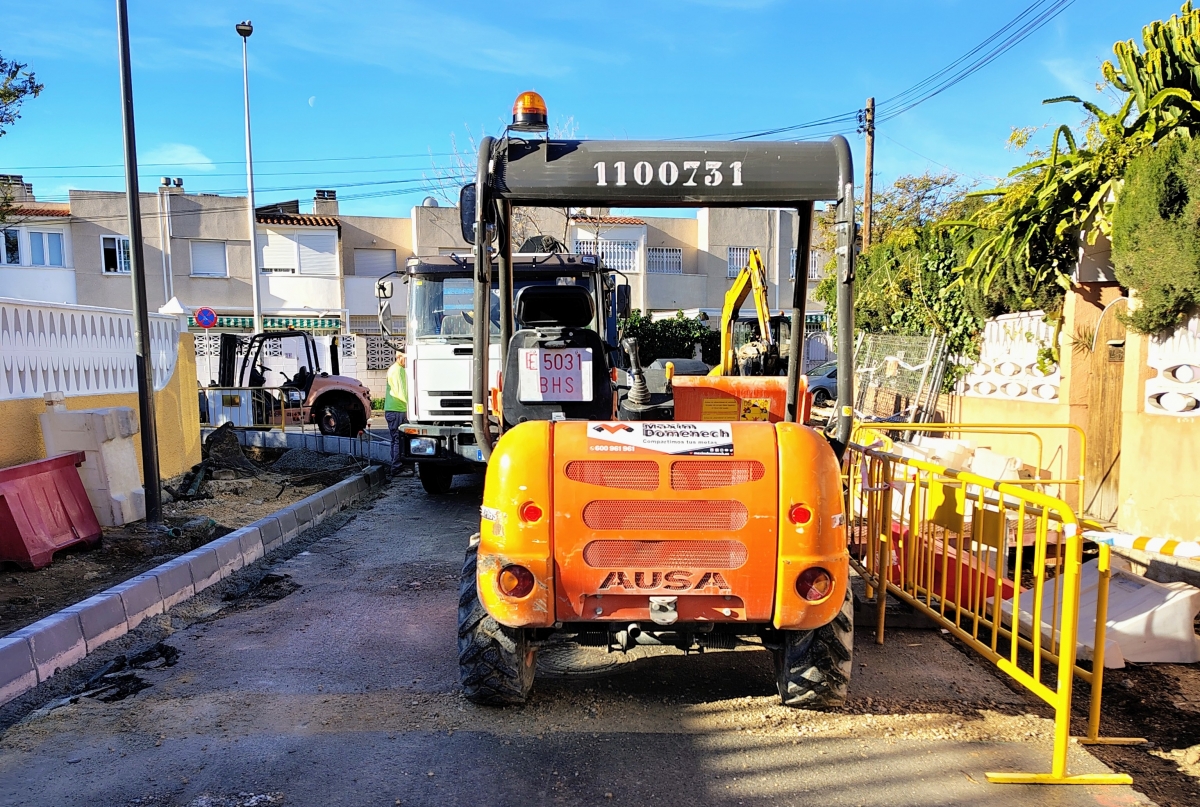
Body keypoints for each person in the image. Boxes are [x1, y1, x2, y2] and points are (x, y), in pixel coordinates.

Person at [385, 351, 413, 477]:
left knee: (396, 440)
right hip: (398, 410)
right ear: (399, 357)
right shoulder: (397, 371)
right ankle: (397, 468)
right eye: (406, 358)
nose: (407, 361)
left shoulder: (396, 369)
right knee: (398, 440)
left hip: (394, 409)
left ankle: (397, 466)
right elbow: (401, 392)